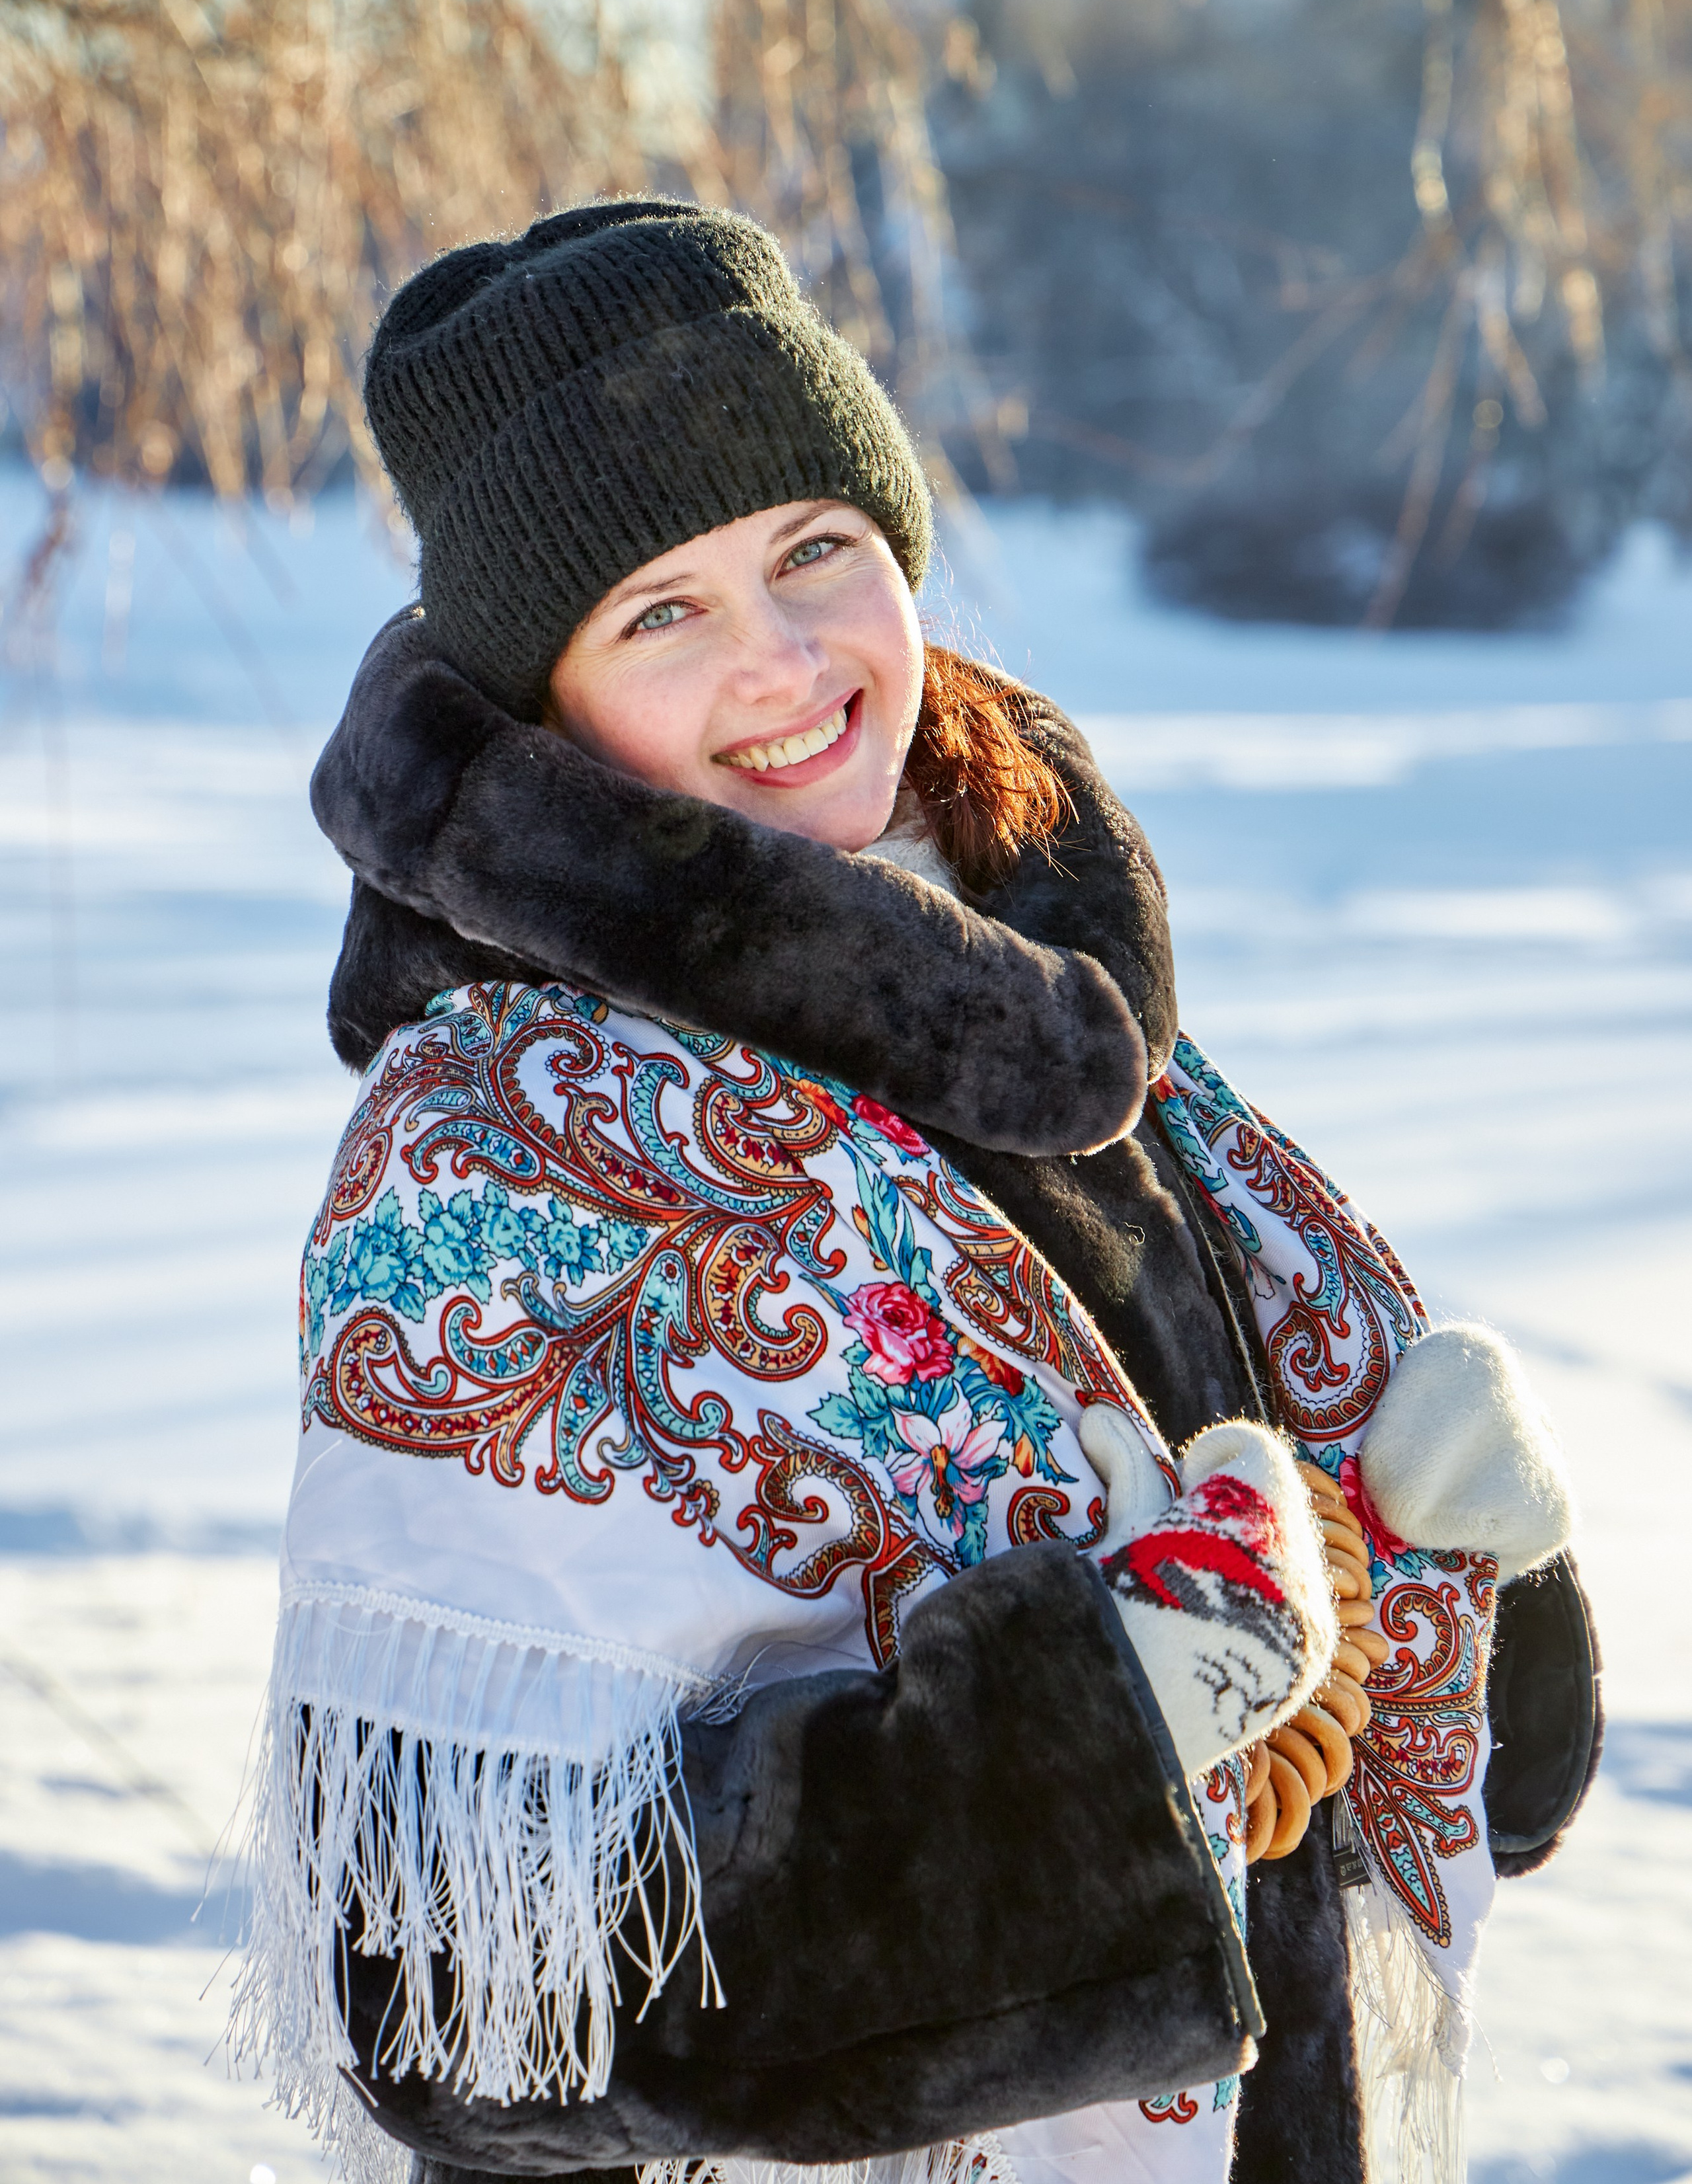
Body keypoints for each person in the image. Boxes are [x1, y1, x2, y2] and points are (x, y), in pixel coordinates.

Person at [245, 201, 1599, 2184]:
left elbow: (1417, 1765)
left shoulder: (1051, 1012)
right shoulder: (493, 1145)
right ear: (544, 703)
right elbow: (453, 1994)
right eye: (661, 610)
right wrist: (1087, 1735)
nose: (786, 660)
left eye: (816, 552)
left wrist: (1450, 1552)